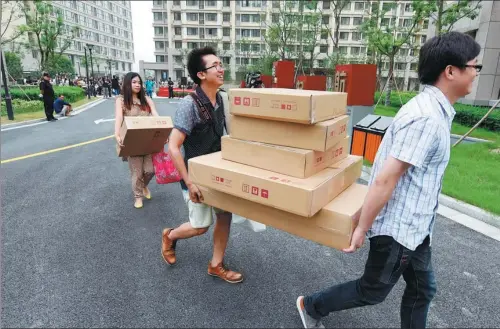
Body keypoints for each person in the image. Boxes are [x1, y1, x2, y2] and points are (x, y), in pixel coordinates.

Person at [296, 31, 482, 329]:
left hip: (417, 229)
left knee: (424, 289)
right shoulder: (426, 119)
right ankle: (311, 305)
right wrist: (362, 228)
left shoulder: (435, 111)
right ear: (450, 71)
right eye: (474, 66)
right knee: (372, 291)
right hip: (398, 229)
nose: (476, 73)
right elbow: (385, 180)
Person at [161, 47, 243, 284]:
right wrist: (189, 181)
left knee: (224, 216)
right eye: (215, 65)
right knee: (200, 226)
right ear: (200, 74)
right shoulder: (190, 105)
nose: (221, 69)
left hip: (217, 172)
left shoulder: (223, 99)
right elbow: (173, 147)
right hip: (195, 176)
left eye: (221, 64)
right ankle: (170, 235)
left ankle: (216, 265)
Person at [114, 72, 160, 209]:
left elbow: (156, 116)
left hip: (147, 141)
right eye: (134, 82)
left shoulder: (147, 100)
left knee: (150, 170)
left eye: (139, 82)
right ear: (128, 83)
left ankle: (143, 185)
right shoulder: (121, 101)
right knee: (137, 172)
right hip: (132, 142)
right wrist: (117, 135)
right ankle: (138, 196)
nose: (137, 85)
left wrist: (164, 131)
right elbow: (119, 118)